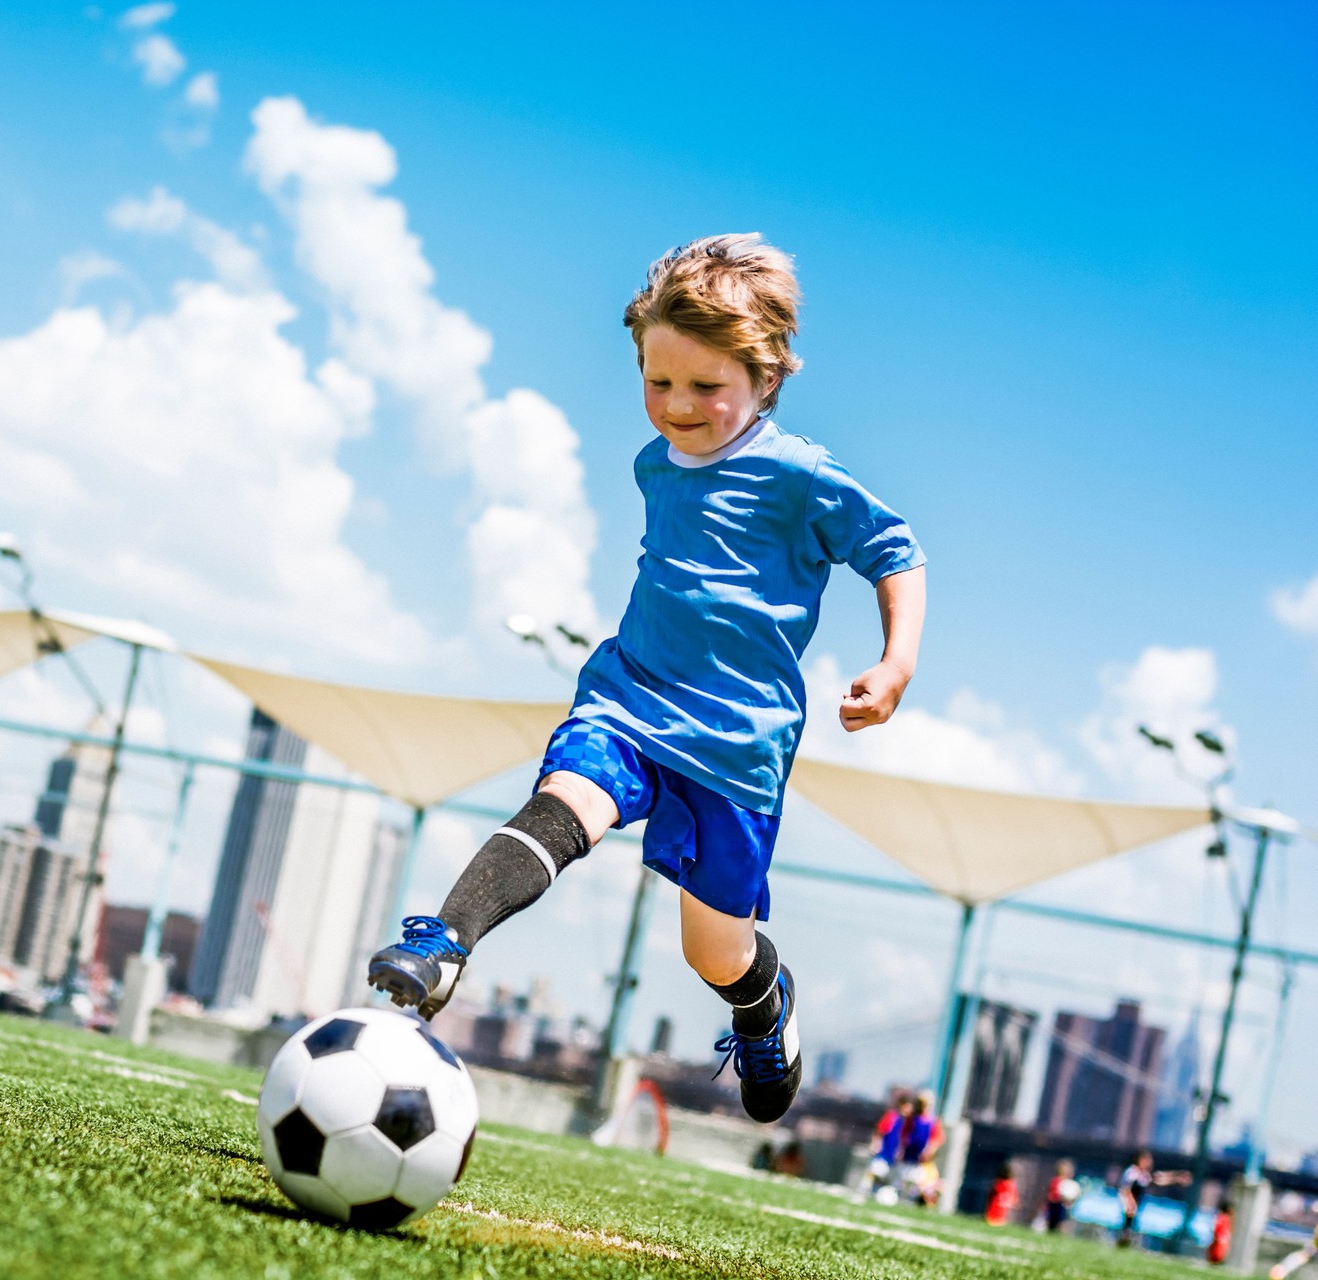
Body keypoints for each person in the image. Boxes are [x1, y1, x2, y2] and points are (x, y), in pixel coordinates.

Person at [366, 233, 927, 1126]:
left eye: (707, 387)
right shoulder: (653, 463)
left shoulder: (803, 476)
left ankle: (761, 1003)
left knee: (713, 949)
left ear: (767, 375)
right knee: (564, 800)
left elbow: (896, 554)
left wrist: (896, 663)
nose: (677, 406)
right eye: (658, 382)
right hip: (629, 697)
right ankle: (444, 943)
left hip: (736, 747)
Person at [1116, 1150, 1186, 1249]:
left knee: (1129, 1225)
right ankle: (1122, 1242)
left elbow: (1158, 1179)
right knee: (1127, 1224)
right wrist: (1130, 1202)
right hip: (1130, 1203)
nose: (1149, 1162)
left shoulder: (1142, 1174)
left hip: (1135, 1204)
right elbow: (1124, 1189)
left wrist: (1176, 1177)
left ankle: (1123, 1243)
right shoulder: (1132, 1172)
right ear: (1140, 1160)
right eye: (1147, 1160)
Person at [1042, 1159, 1078, 1233]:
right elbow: (1051, 1193)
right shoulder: (1056, 1180)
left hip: (1061, 1205)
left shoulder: (1068, 1183)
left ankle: (1057, 1232)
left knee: (1060, 1221)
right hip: (1054, 1204)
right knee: (1051, 1220)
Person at [986, 1162, 1019, 1226]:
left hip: (992, 1213)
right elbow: (1015, 1200)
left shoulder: (998, 1183)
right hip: (1002, 1215)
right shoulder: (1012, 1186)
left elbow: (991, 1194)